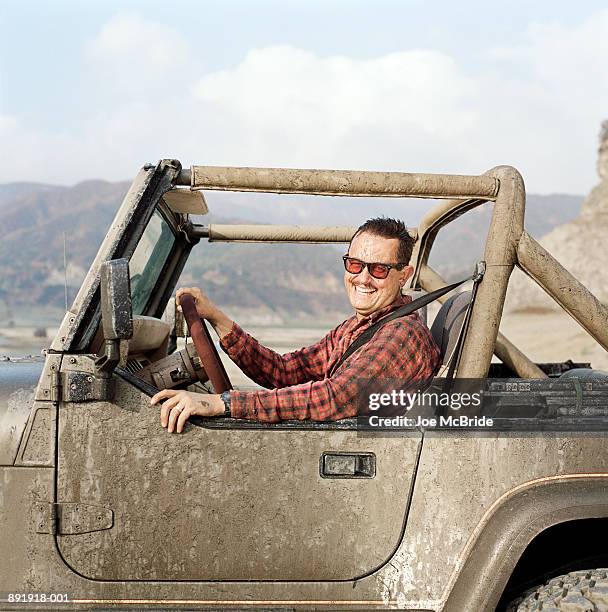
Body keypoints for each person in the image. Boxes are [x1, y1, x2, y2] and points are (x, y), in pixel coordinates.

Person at [151, 217, 441, 432]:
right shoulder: (359, 327)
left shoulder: (402, 334)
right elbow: (284, 371)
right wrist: (217, 318)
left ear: (404, 276)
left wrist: (223, 404)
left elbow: (336, 397)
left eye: (379, 269)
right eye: (355, 264)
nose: (363, 278)